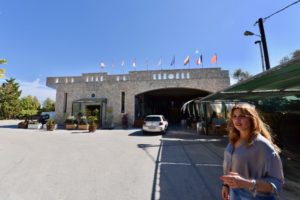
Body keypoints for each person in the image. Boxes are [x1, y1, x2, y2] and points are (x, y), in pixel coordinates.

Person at [220, 103, 284, 200]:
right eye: (234, 116)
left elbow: (277, 182)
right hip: (235, 193)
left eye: (242, 116)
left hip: (256, 197)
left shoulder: (263, 145)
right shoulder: (234, 140)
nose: (237, 120)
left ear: (252, 118)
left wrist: (246, 183)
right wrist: (225, 185)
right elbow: (230, 167)